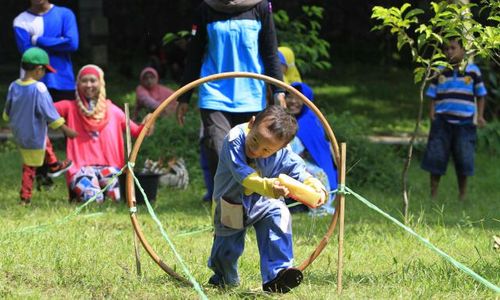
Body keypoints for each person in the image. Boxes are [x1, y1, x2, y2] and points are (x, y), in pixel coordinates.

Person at [208, 105, 327, 293]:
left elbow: (298, 170)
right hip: (231, 202)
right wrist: (270, 187)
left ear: (280, 147)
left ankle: (277, 275)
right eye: (255, 139)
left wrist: (314, 185)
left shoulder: (283, 152)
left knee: (279, 215)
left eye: (266, 150)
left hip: (263, 201)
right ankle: (224, 278)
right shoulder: (234, 139)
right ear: (251, 123)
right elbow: (243, 174)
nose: (256, 150)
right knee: (227, 250)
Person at [176, 0, 286, 203]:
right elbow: (195, 53)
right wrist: (184, 97)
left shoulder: (260, 7)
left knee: (253, 153)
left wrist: (279, 90)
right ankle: (228, 207)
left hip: (251, 95)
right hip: (215, 94)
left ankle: (252, 203)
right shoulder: (206, 8)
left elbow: (270, 50)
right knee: (220, 151)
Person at [55, 65, 152, 203]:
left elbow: (137, 132)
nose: (89, 85)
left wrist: (149, 122)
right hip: (81, 169)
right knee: (94, 198)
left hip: (110, 168)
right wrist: (63, 127)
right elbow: (44, 110)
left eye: (93, 80)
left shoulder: (113, 110)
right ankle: (81, 195)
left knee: (116, 197)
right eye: (84, 81)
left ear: (101, 83)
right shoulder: (69, 107)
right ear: (78, 84)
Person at [2, 47, 77, 206]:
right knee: (29, 167)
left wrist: (7, 119)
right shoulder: (39, 88)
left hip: (20, 132)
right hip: (33, 133)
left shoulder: (13, 86)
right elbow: (49, 112)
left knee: (44, 142)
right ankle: (25, 197)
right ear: (38, 69)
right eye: (45, 71)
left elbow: (7, 110)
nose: (44, 75)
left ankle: (54, 165)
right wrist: (65, 129)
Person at [421, 37, 487, 201]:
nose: (449, 51)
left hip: (465, 123)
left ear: (463, 51)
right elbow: (433, 95)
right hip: (442, 122)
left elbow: (480, 94)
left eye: (453, 48)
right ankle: (433, 194)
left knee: (463, 159)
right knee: (436, 157)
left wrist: (479, 115)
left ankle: (462, 195)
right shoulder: (440, 69)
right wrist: (432, 113)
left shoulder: (473, 71)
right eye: (446, 49)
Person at [285, 82, 337, 215]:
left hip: (304, 164)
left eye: (298, 98)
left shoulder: (309, 122)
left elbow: (318, 151)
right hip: (284, 162)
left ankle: (319, 204)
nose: (293, 101)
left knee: (317, 175)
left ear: (306, 100)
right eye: (289, 96)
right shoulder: (280, 118)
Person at [13, 0, 79, 102]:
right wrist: (60, 41)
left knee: (63, 118)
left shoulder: (65, 14)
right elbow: (29, 54)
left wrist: (37, 39)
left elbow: (72, 44)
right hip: (33, 84)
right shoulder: (21, 21)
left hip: (63, 82)